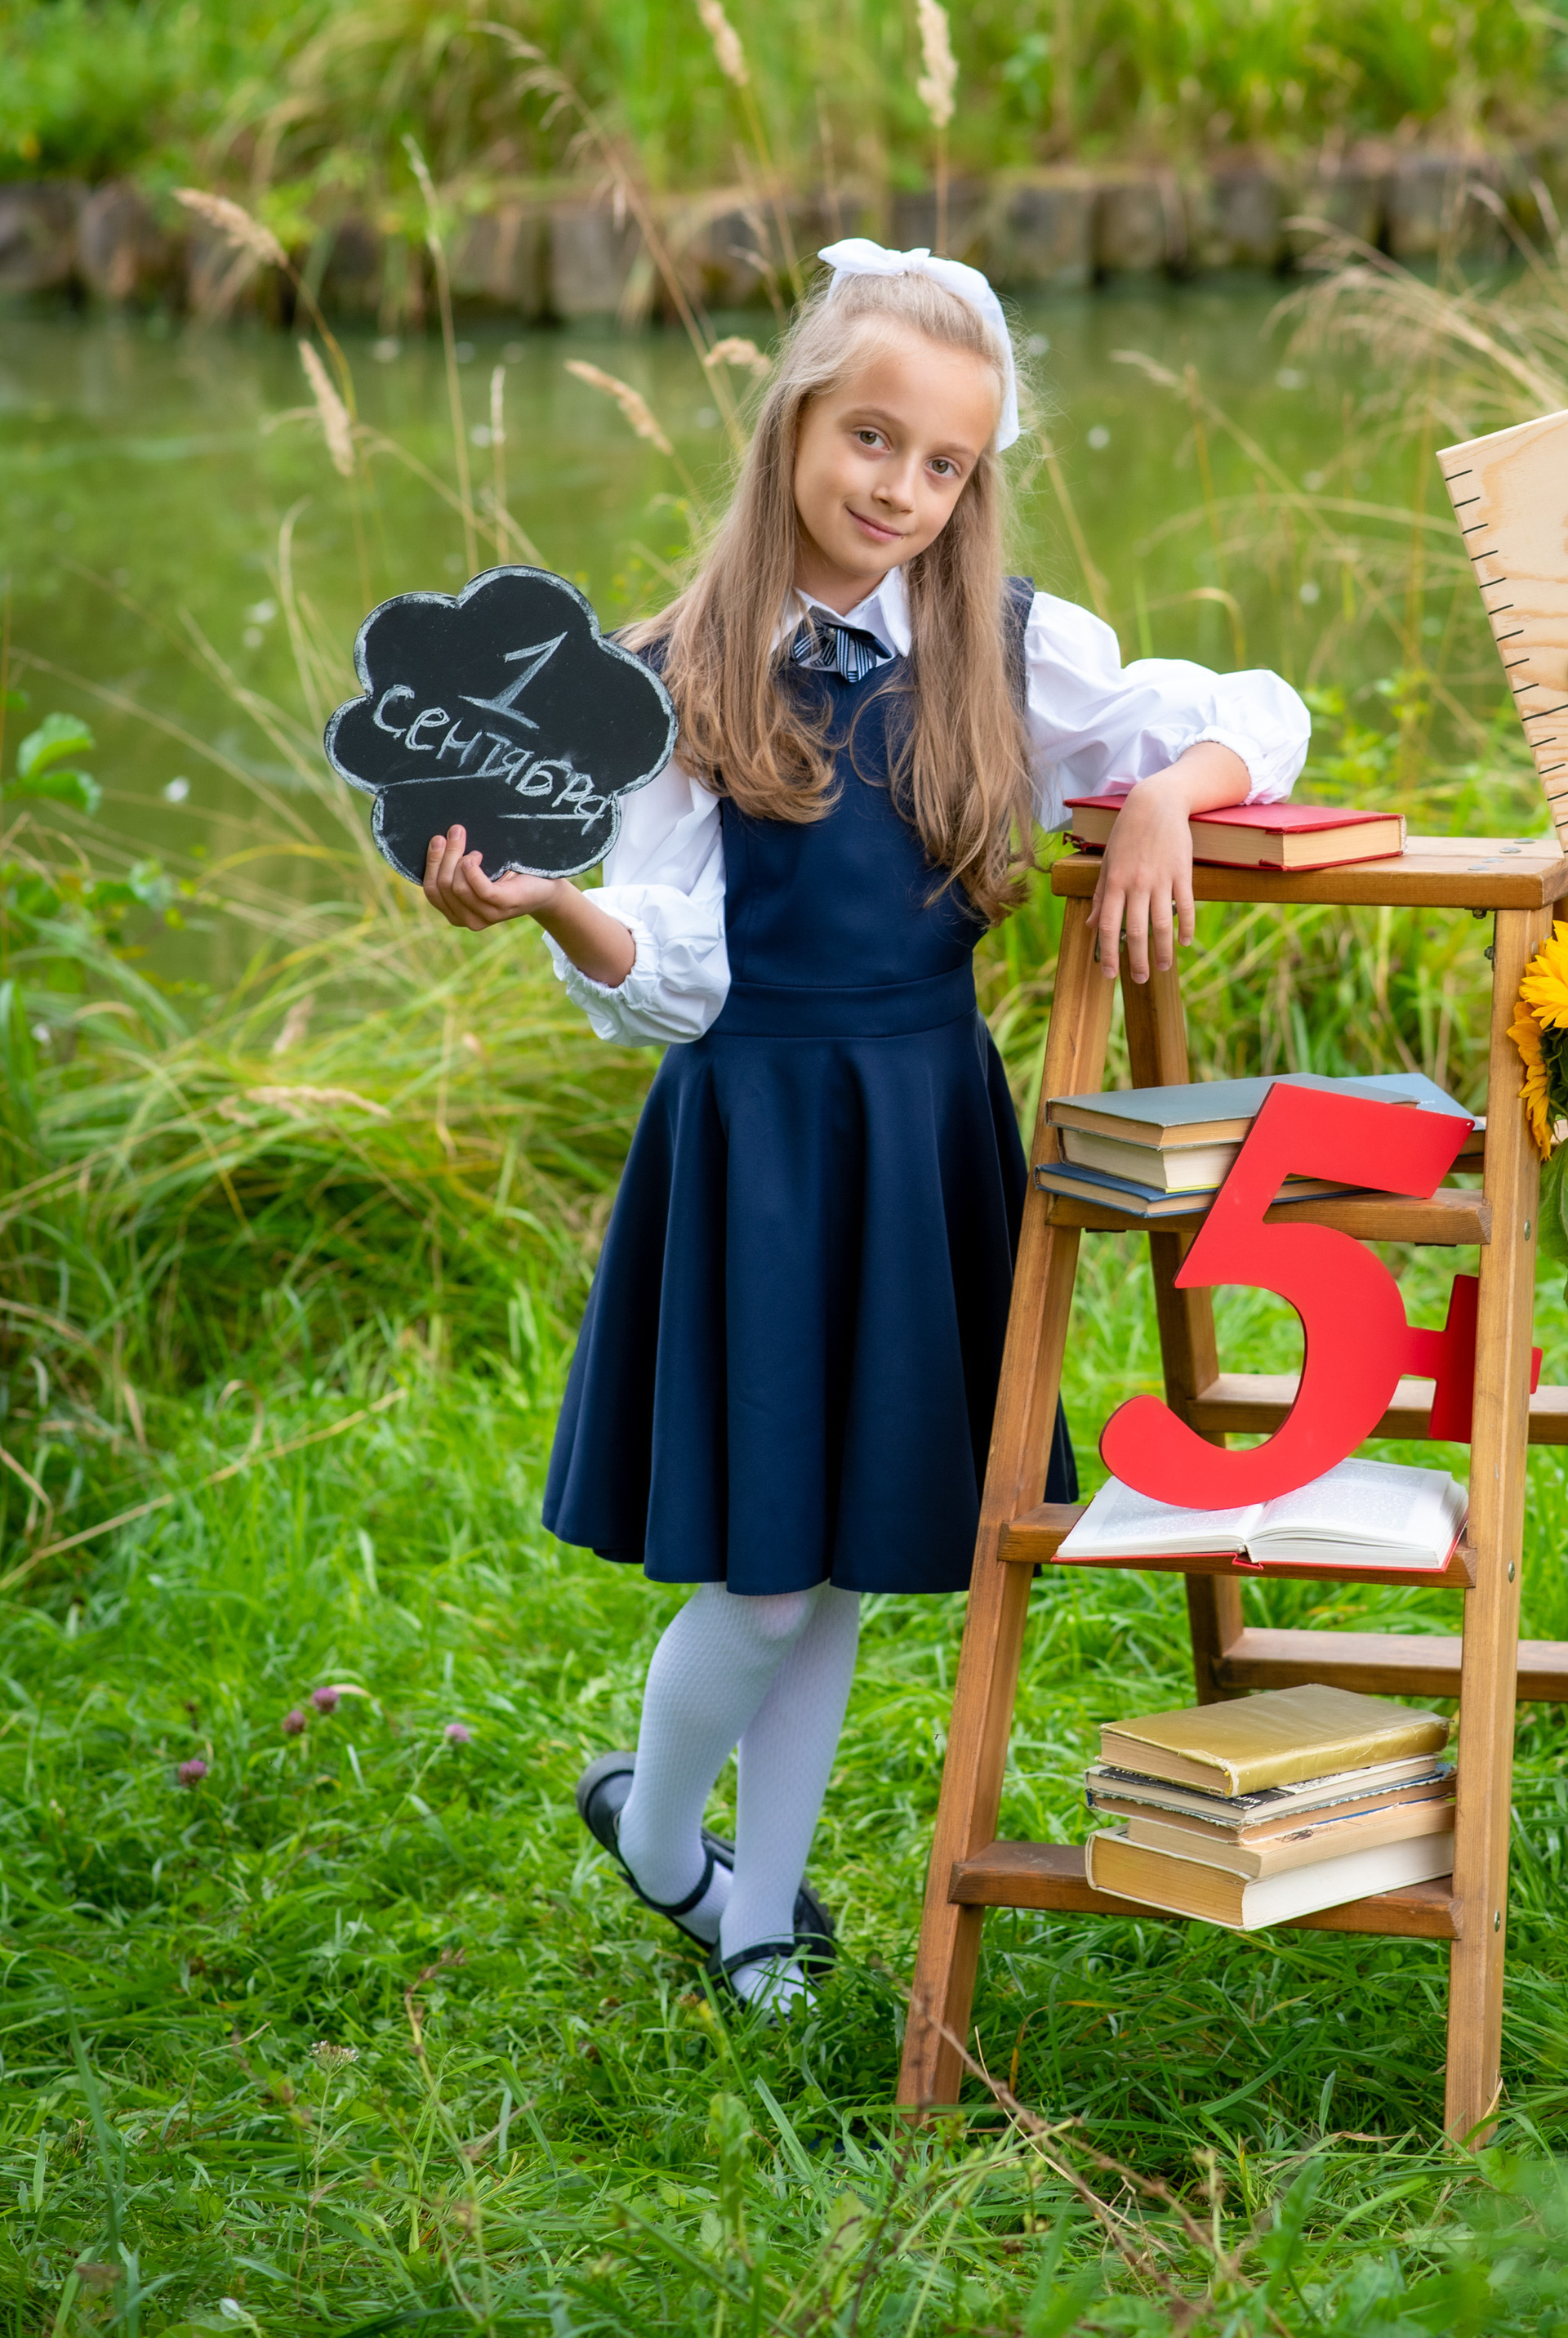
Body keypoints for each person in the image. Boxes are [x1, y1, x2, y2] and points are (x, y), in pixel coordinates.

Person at [418, 241, 1309, 2009]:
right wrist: (551, 910)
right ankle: (668, 1841)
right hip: (759, 1139)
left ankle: (765, 1925)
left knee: (839, 1572)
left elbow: (1254, 715)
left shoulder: (1001, 641)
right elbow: (669, 973)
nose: (899, 489)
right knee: (764, 1577)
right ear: (794, 423)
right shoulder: (668, 671)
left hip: (922, 1133)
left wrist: (1160, 810)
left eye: (943, 463)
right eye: (870, 441)